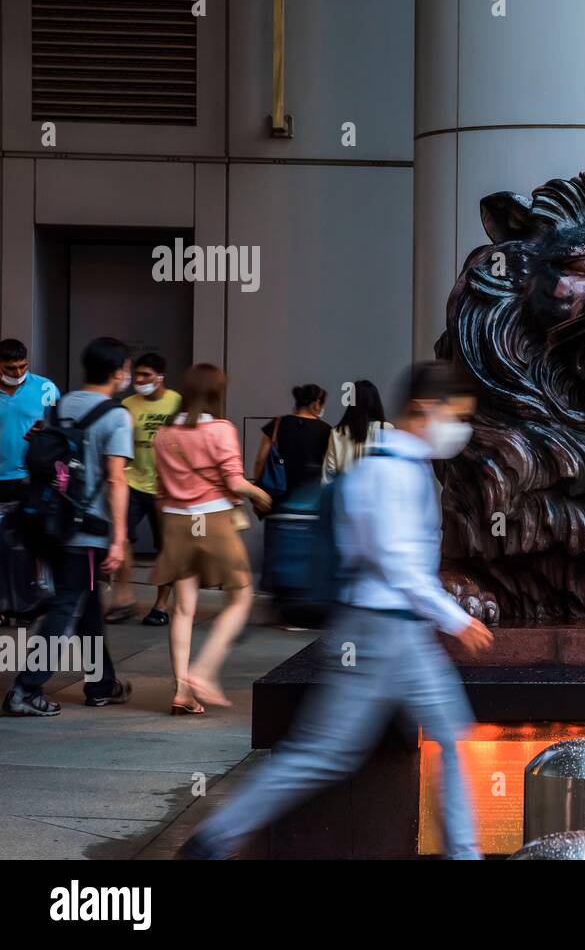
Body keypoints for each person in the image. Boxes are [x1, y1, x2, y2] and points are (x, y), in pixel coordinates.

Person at [179, 361, 494, 860]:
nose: (461, 429)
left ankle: (464, 852)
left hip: (395, 633)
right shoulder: (390, 472)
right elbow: (395, 563)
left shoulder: (396, 467)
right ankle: (217, 837)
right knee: (327, 753)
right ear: (424, 408)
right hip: (379, 633)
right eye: (458, 415)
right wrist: (456, 619)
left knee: (447, 735)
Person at [2, 338, 134, 717]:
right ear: (116, 372)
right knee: (66, 609)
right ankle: (26, 689)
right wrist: (119, 539)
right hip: (86, 529)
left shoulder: (61, 404)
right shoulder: (116, 415)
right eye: (125, 368)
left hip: (49, 524)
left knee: (85, 604)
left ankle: (101, 684)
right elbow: (116, 480)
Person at [152, 364, 273, 712]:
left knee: (183, 609)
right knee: (240, 598)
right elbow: (234, 482)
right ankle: (203, 671)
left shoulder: (163, 434)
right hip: (213, 520)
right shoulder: (221, 430)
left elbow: (160, 490)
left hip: (176, 522)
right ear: (217, 393)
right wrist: (261, 495)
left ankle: (181, 691)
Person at [107, 352, 182, 626]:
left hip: (167, 487)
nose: (139, 380)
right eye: (136, 374)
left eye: (146, 376)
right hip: (133, 482)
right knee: (121, 537)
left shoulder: (177, 402)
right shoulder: (127, 404)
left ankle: (161, 605)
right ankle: (123, 597)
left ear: (160, 376)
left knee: (167, 547)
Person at [0, 338, 59, 504]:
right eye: (10, 368)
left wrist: (45, 429)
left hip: (32, 474)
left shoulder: (47, 388)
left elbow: (58, 429)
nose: (18, 373)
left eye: (22, 366)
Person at [253, 384, 331, 506]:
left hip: (277, 501)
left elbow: (260, 460)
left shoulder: (277, 424)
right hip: (312, 501)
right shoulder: (326, 430)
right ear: (316, 404)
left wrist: (258, 494)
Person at [322, 379, 392, 481]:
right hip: (377, 492)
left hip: (344, 491)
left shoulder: (337, 432)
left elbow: (329, 471)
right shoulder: (386, 429)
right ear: (376, 400)